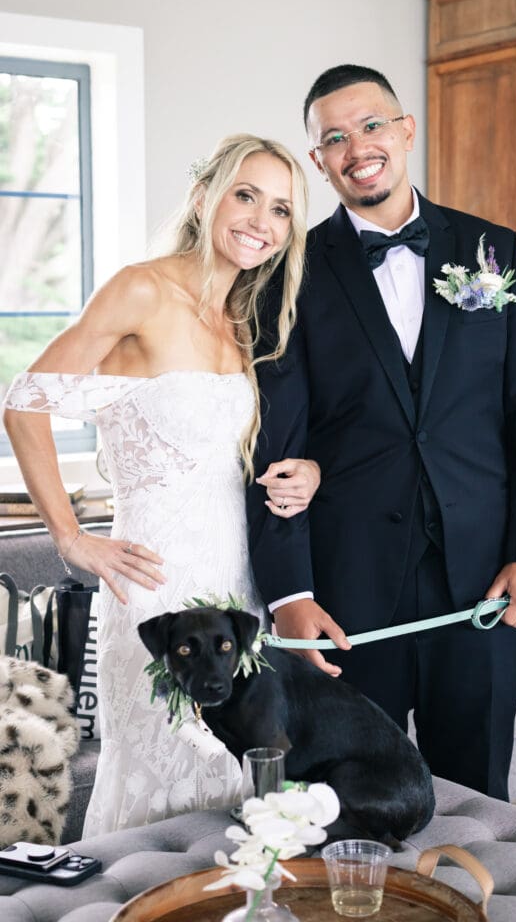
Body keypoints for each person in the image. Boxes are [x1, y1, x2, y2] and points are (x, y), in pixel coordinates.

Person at [246, 66, 516, 801]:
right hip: (349, 589)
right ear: (316, 161)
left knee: (477, 795)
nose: (356, 146)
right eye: (333, 137)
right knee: (343, 797)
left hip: (481, 582)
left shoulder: (496, 251)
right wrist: (289, 593)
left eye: (369, 126)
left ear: (404, 131)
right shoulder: (285, 277)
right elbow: (275, 451)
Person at [3, 133, 320, 836]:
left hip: (238, 586)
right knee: (160, 766)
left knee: (235, 770)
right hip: (152, 580)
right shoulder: (140, 288)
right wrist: (69, 534)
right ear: (205, 195)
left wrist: (309, 473)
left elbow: (253, 450)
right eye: (245, 195)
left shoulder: (246, 316)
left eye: (280, 210)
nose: (260, 222)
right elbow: (23, 403)